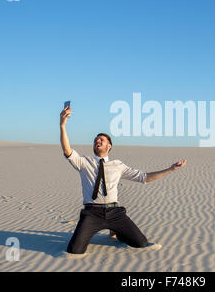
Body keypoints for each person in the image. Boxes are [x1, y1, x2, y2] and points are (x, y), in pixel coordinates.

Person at [60, 105, 187, 255]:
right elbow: (67, 150)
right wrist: (63, 125)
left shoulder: (118, 165)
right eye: (95, 140)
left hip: (115, 213)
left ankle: (117, 229)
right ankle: (113, 230)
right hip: (91, 213)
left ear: (109, 146)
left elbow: (144, 177)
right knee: (74, 251)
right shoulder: (83, 162)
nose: (97, 141)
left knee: (141, 243)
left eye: (101, 139)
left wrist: (170, 169)